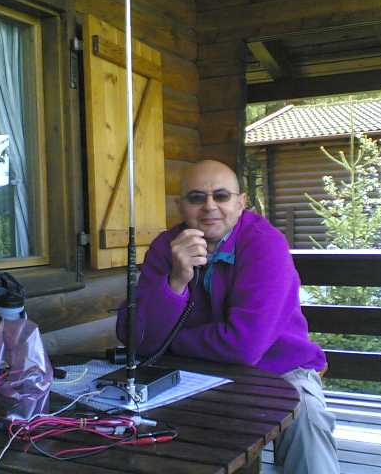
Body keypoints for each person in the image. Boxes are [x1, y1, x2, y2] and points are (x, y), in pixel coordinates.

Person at [117, 160, 339, 473]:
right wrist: (176, 280)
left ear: (240, 202)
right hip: (189, 372)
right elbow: (135, 337)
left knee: (307, 420)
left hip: (280, 368)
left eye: (221, 196)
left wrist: (169, 342)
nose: (209, 206)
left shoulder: (265, 244)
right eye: (196, 197)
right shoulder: (166, 247)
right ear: (180, 205)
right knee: (133, 423)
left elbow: (244, 347)